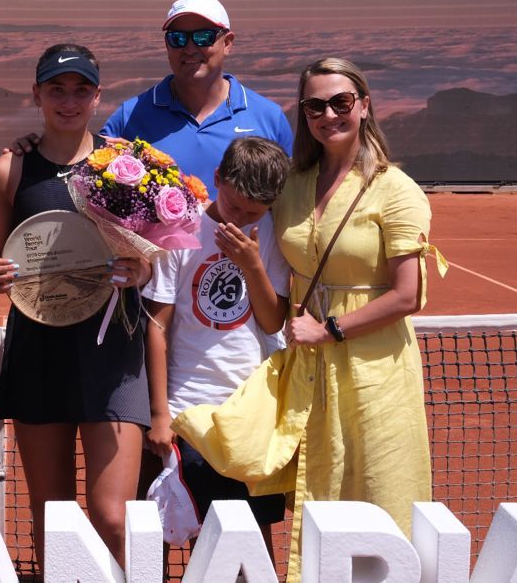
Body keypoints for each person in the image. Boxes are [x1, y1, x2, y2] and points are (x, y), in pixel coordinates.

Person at [175, 57, 445, 582]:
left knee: (378, 488)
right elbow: (232, 200)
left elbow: (409, 295)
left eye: (341, 102)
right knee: (316, 489)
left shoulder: (397, 189)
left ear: (364, 106)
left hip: (374, 368)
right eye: (315, 105)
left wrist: (331, 329)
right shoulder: (293, 186)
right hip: (307, 368)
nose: (329, 114)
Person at [0, 44, 151, 569]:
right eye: (56, 88)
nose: (69, 100)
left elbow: (147, 258)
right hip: (39, 349)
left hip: (112, 352)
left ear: (98, 96)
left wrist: (139, 270)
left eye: (81, 89)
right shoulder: (9, 169)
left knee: (114, 517)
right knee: (52, 517)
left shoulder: (124, 166)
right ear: (37, 95)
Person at [141, 136, 291, 559]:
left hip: (253, 409)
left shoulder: (270, 236)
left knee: (254, 536)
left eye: (254, 212)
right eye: (234, 206)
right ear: (218, 179)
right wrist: (159, 412)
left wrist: (253, 264)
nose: (242, 218)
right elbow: (157, 326)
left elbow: (272, 320)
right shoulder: (183, 231)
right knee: (190, 532)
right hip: (192, 409)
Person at [10, 0, 292, 200]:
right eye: (178, 38)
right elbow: (84, 159)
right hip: (157, 280)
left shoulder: (269, 117)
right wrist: (36, 147)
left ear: (228, 43)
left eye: (204, 37)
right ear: (167, 45)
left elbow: (287, 201)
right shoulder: (130, 115)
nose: (190, 48)